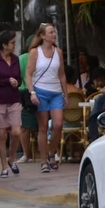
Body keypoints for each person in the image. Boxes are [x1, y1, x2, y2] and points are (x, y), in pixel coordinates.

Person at [24, 23, 67, 173]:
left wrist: (65, 94)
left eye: (54, 32)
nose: (53, 35)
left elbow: (61, 74)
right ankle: (43, 161)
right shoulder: (35, 52)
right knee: (42, 127)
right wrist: (32, 93)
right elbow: (28, 74)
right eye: (50, 32)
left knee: (58, 125)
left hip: (56, 92)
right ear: (42, 36)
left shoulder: (58, 52)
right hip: (40, 91)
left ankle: (51, 154)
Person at [0, 31, 23, 177]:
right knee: (1, 134)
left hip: (14, 98)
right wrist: (7, 81)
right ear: (4, 45)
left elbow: (19, 79)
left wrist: (16, 82)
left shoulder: (15, 59)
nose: (14, 45)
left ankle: (11, 158)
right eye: (12, 43)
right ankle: (3, 167)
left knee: (16, 132)